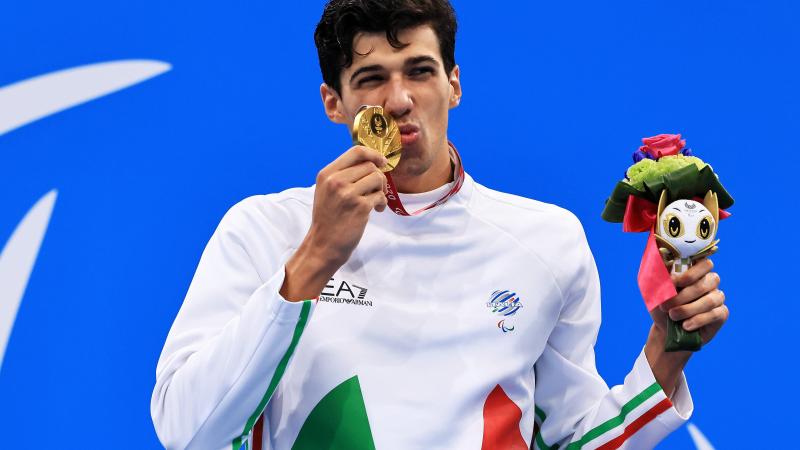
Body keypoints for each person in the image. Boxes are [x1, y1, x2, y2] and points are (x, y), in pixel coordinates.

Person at [150, 1, 729, 449]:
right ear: (334, 101)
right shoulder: (261, 230)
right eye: (371, 78)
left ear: (453, 83)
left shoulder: (545, 241)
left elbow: (573, 438)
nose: (399, 99)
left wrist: (666, 350)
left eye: (420, 71)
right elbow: (187, 429)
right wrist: (314, 258)